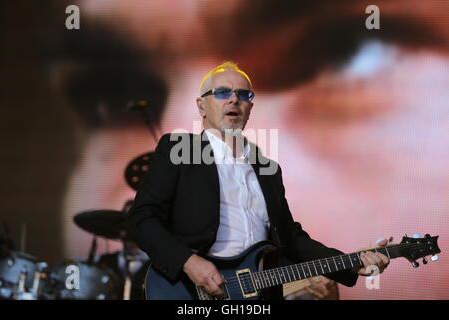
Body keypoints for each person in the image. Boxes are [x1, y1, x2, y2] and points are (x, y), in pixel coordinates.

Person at [127, 61, 390, 299]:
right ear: (201, 106)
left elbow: (291, 238)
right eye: (221, 92)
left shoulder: (268, 169)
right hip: (190, 290)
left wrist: (351, 263)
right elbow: (142, 219)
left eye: (243, 95)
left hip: (261, 293)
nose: (233, 100)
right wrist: (189, 262)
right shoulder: (179, 149)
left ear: (250, 107)